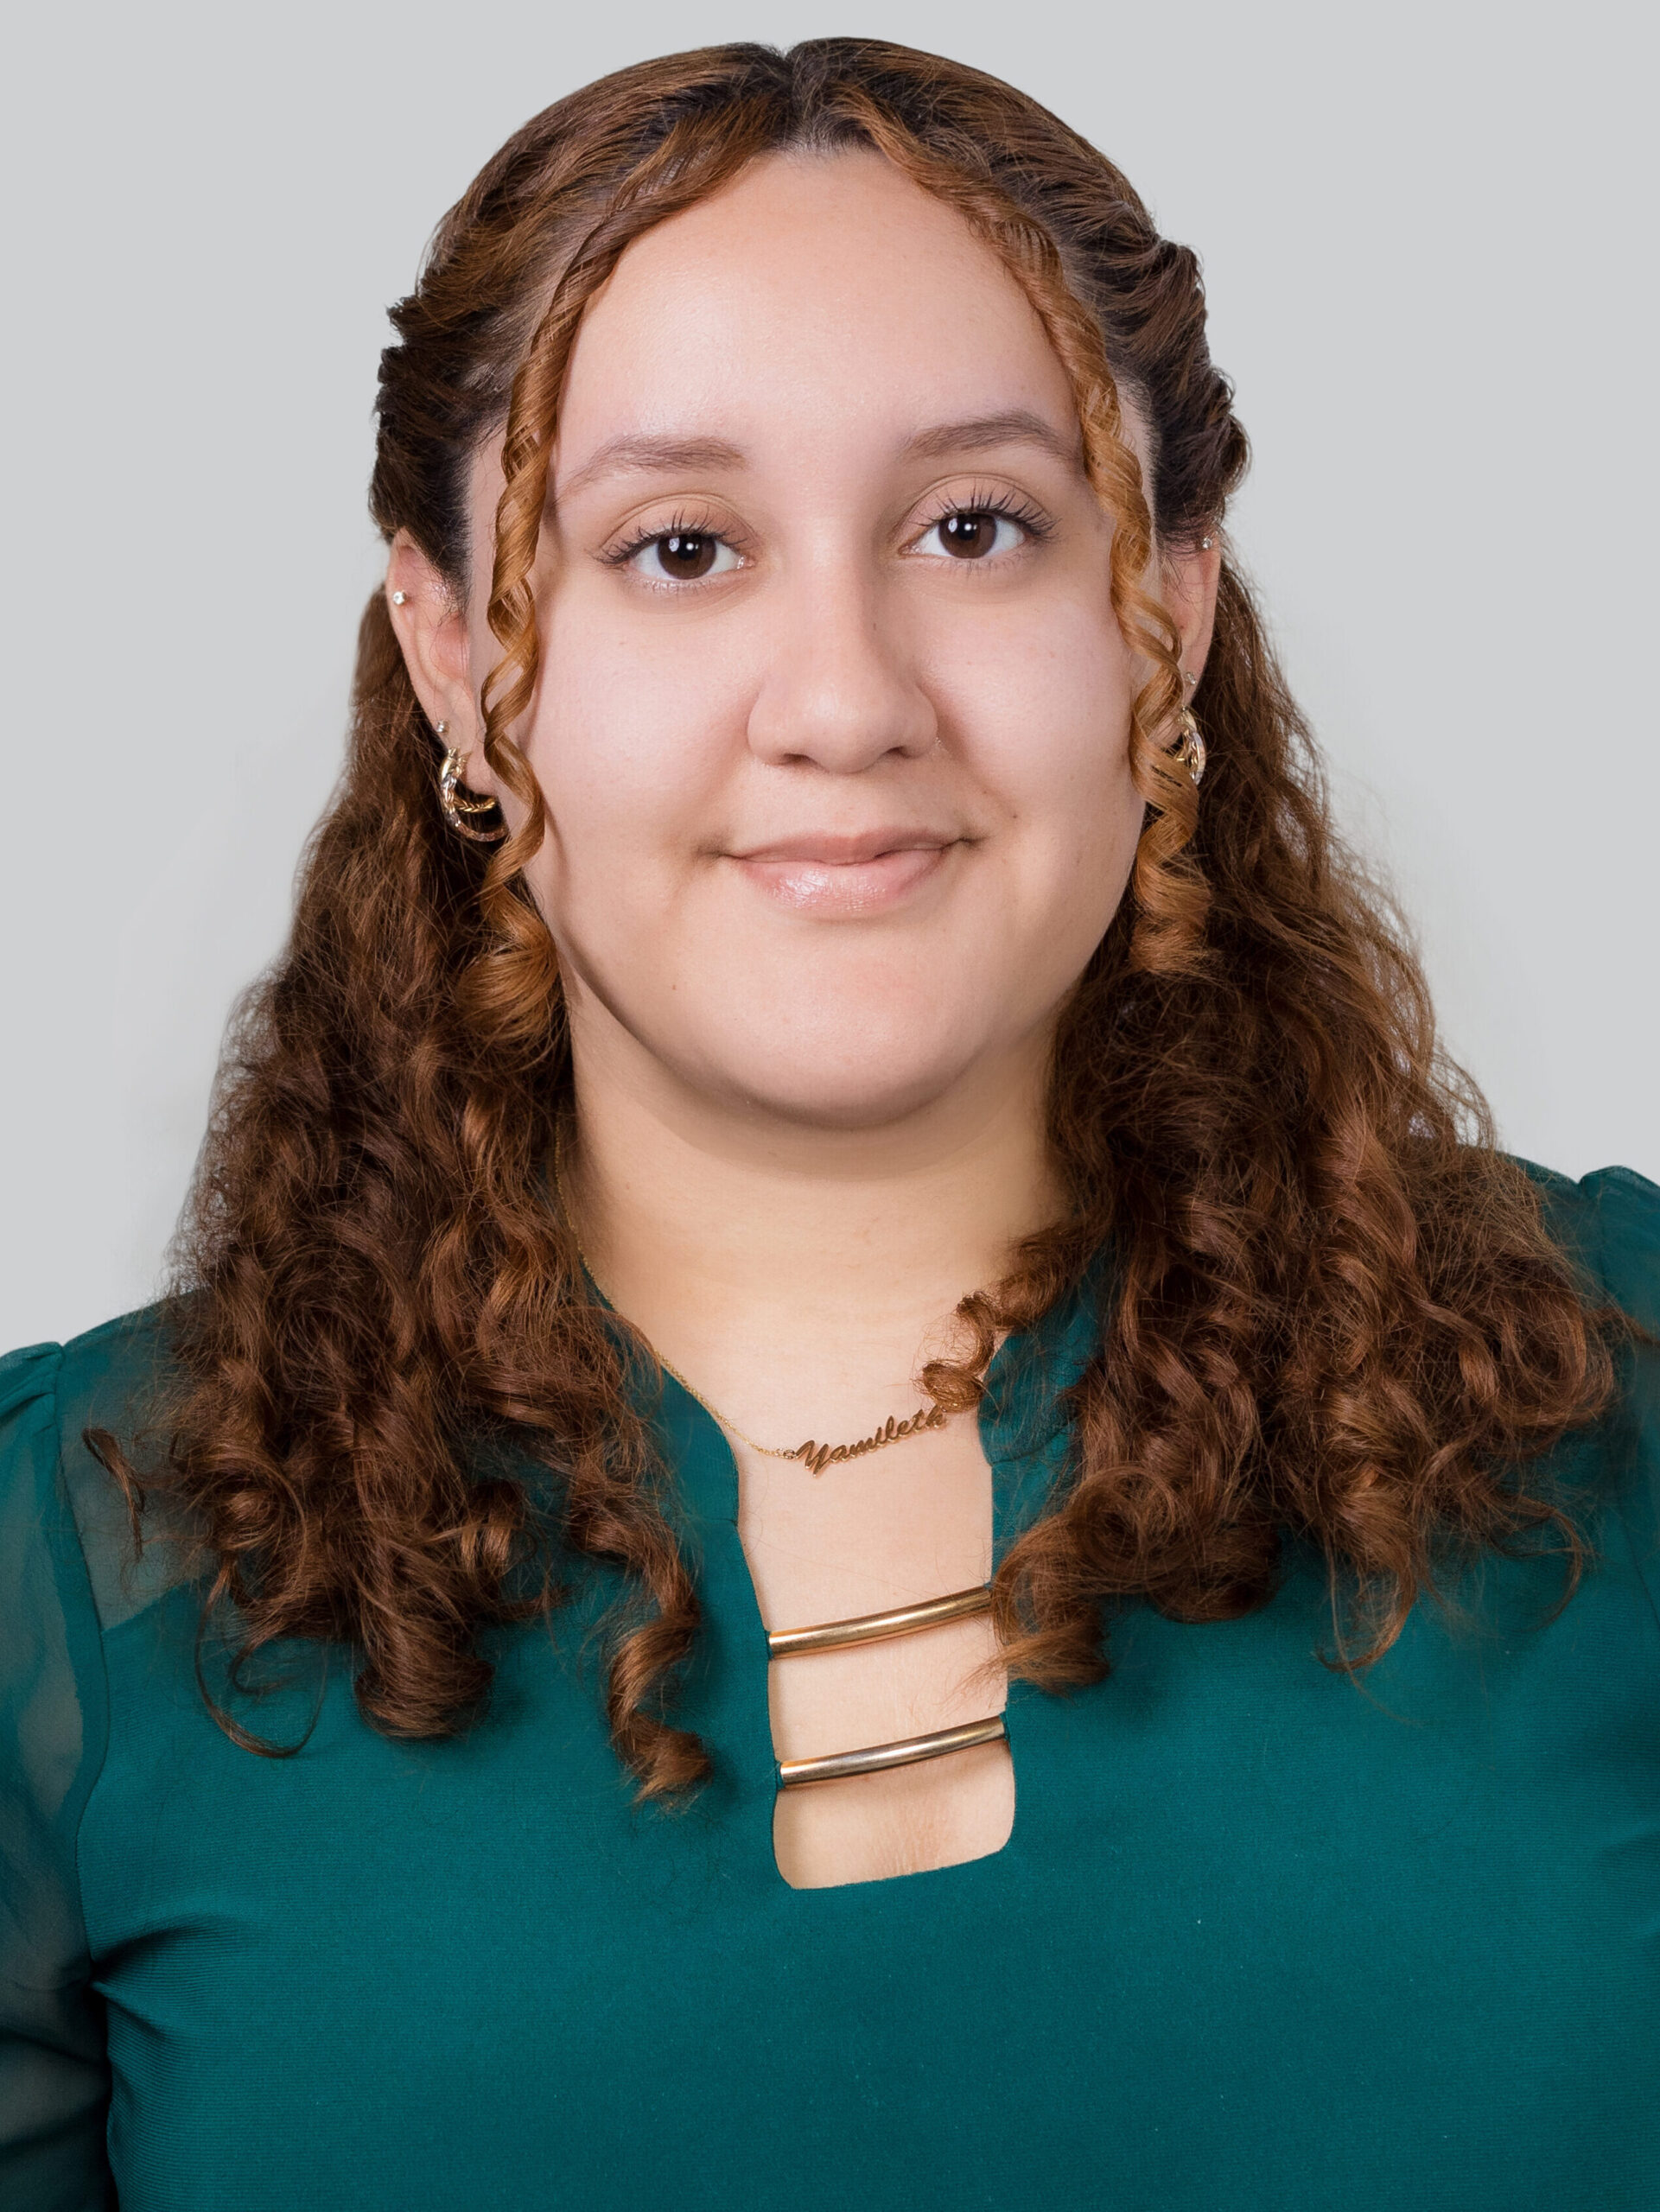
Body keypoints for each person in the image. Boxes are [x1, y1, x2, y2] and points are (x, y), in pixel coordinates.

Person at [3, 35, 1655, 2212]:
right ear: (450, 656)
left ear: (1162, 606)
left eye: (975, 526)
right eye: (680, 545)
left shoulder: (1617, 1380)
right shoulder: (73, 1575)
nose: (848, 695)